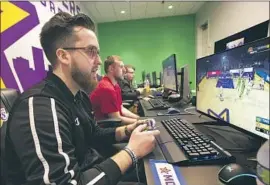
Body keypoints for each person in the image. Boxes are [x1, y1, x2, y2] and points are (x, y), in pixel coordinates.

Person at [2, 12, 160, 185]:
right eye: (91, 51)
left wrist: (127, 130)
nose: (99, 61)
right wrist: (131, 152)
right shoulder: (42, 107)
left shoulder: (79, 95)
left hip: (91, 169)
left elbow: (93, 134)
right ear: (63, 56)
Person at [90, 56, 140, 125]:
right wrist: (139, 123)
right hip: (106, 129)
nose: (124, 70)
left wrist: (139, 118)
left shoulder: (116, 86)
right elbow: (116, 119)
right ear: (111, 69)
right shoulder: (106, 88)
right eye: (121, 67)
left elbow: (121, 109)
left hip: (114, 124)